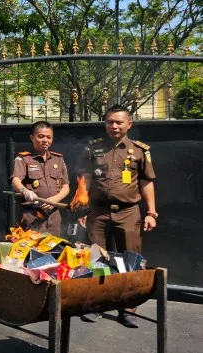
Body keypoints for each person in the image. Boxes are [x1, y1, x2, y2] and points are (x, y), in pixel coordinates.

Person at [77, 104, 157, 328]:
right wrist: (83, 209)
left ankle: (128, 307)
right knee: (96, 259)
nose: (114, 125)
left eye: (119, 122)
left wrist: (151, 212)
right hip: (99, 212)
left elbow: (146, 183)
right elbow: (85, 180)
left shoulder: (140, 150)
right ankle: (96, 305)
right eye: (110, 121)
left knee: (130, 259)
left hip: (128, 213)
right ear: (105, 123)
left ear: (128, 124)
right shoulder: (93, 149)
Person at [10, 121, 70, 236]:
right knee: (31, 250)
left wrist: (55, 199)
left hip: (53, 215)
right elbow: (15, 179)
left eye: (49, 137)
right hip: (32, 215)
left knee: (54, 249)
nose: (45, 140)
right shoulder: (24, 158)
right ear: (32, 137)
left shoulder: (58, 159)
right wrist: (25, 191)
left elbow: (66, 186)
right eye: (40, 136)